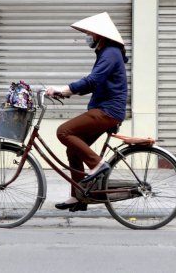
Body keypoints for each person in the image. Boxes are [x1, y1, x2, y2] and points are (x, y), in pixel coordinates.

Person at [46, 12, 128, 212]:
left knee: (63, 131)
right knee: (73, 150)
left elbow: (92, 80)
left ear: (100, 35)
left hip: (108, 110)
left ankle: (97, 165)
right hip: (104, 108)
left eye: (90, 33)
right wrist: (66, 93)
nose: (88, 37)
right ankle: (79, 197)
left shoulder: (110, 53)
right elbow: (95, 84)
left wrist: (66, 88)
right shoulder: (106, 52)